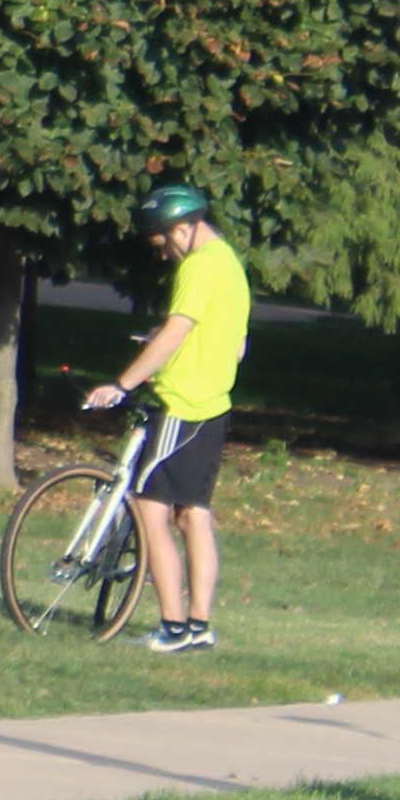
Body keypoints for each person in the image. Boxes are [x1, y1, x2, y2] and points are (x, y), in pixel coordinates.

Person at [85, 182, 251, 653]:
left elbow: (177, 332)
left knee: (148, 510)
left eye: (162, 242)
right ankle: (198, 625)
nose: (161, 253)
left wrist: (123, 384)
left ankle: (173, 627)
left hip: (182, 404)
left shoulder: (198, 267)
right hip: (214, 406)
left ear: (183, 228)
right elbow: (236, 345)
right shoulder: (230, 265)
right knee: (194, 515)